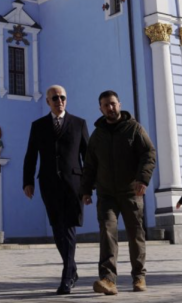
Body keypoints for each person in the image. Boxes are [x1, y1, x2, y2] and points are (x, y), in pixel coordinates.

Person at [81, 90, 156, 295]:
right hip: (106, 194)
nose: (110, 108)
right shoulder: (98, 135)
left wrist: (142, 179)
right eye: (105, 105)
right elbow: (90, 165)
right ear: (100, 108)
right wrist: (86, 189)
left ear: (119, 105)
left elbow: (149, 154)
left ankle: (139, 277)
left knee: (135, 235)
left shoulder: (134, 129)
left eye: (113, 104)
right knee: (107, 233)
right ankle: (108, 280)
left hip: (131, 192)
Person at [23, 85, 89, 295]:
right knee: (57, 229)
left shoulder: (79, 124)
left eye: (63, 98)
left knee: (69, 227)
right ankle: (73, 268)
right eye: (55, 98)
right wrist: (28, 181)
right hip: (48, 183)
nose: (59, 101)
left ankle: (67, 277)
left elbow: (87, 157)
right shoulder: (39, 125)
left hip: (74, 184)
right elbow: (31, 155)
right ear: (48, 102)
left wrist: (89, 186)